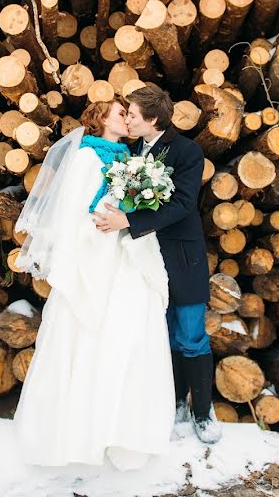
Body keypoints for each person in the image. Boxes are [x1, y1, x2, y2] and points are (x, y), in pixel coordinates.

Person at [13, 100, 175, 471]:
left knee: (128, 336)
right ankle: (75, 433)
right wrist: (109, 222)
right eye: (120, 112)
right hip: (95, 255)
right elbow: (74, 212)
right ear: (100, 119)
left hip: (126, 254)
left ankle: (120, 432)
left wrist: (129, 216)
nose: (126, 118)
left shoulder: (130, 158)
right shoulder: (87, 157)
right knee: (87, 336)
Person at [94, 84, 221, 444]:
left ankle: (202, 412)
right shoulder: (130, 151)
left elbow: (182, 204)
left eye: (133, 115)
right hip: (140, 258)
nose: (129, 120)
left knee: (191, 333)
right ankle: (175, 401)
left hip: (180, 254)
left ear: (152, 118)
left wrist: (129, 223)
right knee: (158, 333)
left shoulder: (187, 151)